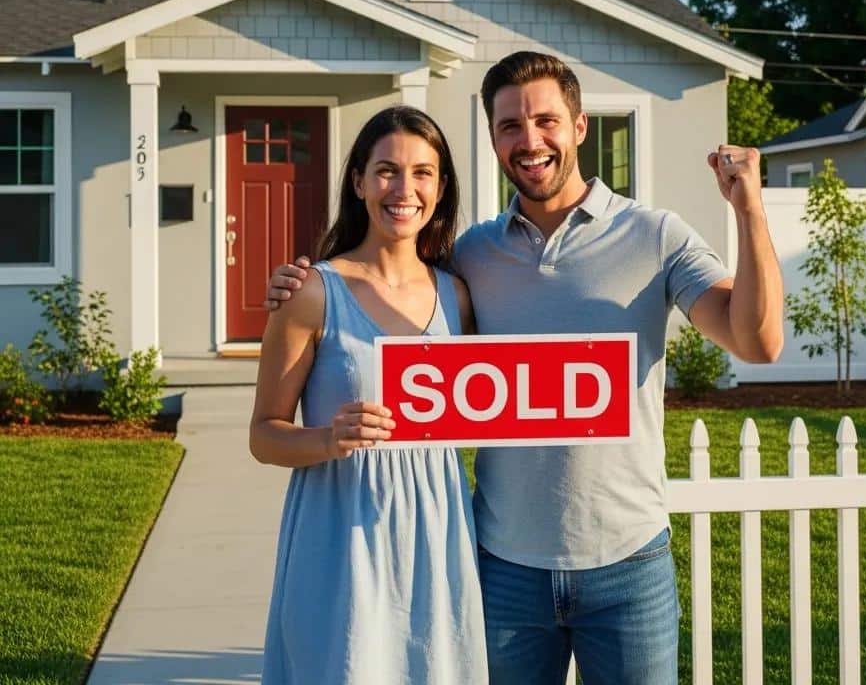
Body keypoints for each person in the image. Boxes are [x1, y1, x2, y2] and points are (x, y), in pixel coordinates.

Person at [266, 52, 784, 685]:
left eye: (546, 121)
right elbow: (387, 293)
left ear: (580, 126)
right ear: (492, 138)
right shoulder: (470, 259)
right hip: (503, 566)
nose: (529, 140)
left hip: (628, 562)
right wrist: (301, 286)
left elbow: (756, 342)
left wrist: (750, 210)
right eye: (510, 125)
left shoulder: (656, 237)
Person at [250, 105, 487, 685]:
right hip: (341, 530)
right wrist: (330, 437)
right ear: (358, 182)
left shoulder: (459, 295)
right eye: (386, 170)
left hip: (438, 530)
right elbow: (264, 434)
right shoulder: (312, 291)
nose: (403, 189)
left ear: (441, 186)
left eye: (422, 172)